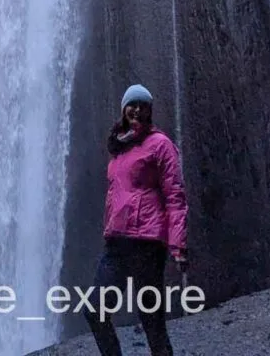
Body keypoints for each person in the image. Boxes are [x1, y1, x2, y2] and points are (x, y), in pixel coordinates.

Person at [82, 84, 188, 356]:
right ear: (123, 108)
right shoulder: (120, 147)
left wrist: (177, 245)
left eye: (143, 105)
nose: (137, 110)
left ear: (150, 111)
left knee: (151, 320)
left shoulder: (160, 144)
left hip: (147, 243)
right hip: (117, 241)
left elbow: (175, 195)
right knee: (94, 307)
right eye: (133, 104)